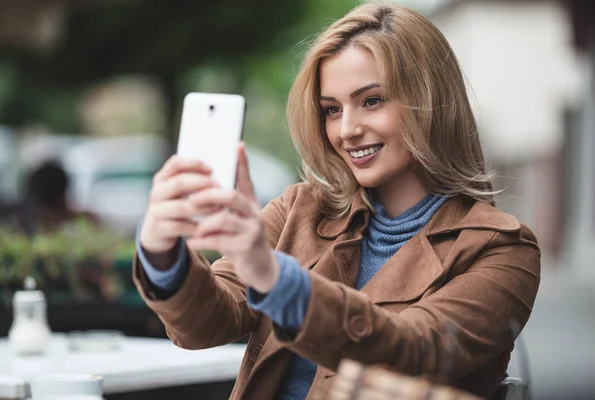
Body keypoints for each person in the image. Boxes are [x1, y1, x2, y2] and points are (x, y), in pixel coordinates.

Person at [134, 3, 541, 399]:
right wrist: (161, 251)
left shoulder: (502, 250)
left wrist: (274, 278)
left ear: (430, 102)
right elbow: (203, 325)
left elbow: (414, 351)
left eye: (372, 101)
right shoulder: (301, 209)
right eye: (331, 109)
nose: (346, 130)